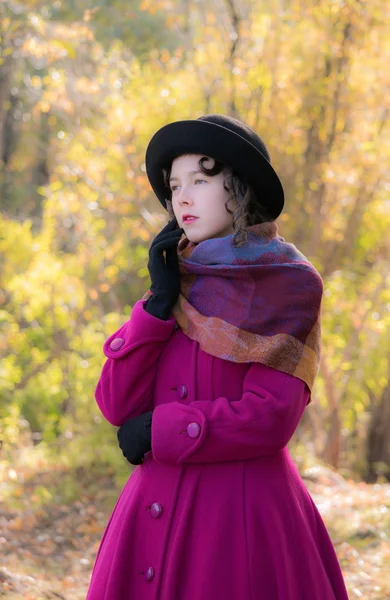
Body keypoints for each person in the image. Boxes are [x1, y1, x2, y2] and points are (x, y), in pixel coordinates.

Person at [85, 114, 349, 599]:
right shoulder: (174, 281)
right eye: (175, 185)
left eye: (201, 180)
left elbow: (271, 417)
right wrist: (155, 309)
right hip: (148, 520)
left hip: (240, 529)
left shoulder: (288, 286)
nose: (182, 197)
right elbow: (116, 405)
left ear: (239, 187)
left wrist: (162, 429)